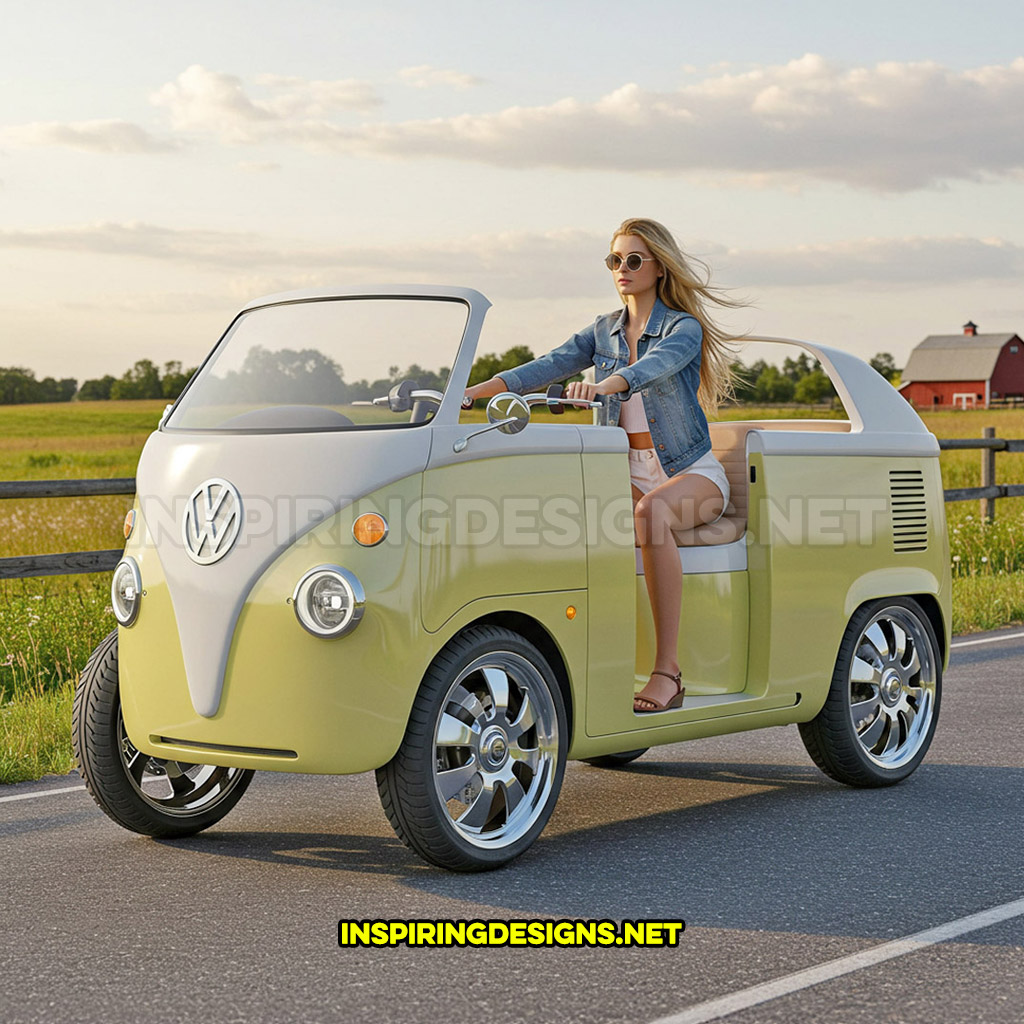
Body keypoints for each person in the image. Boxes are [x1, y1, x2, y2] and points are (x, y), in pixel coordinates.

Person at [464, 217, 740, 713]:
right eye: (614, 260)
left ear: (658, 268)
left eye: (633, 260)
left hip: (690, 473)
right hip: (627, 473)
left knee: (651, 515)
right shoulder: (602, 332)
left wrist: (604, 386)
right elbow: (545, 366)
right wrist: (470, 392)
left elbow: (652, 368)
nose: (622, 269)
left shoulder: (682, 328)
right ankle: (584, 668)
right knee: (566, 521)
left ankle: (668, 672)